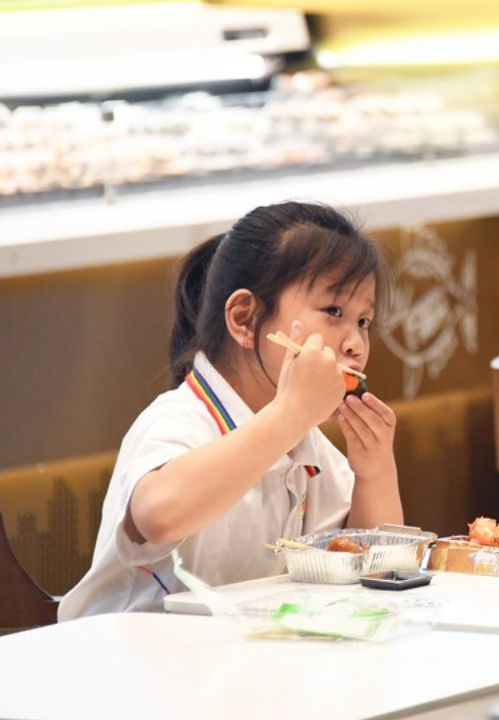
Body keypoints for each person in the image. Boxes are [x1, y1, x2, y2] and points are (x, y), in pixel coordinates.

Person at [59, 201, 403, 620]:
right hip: (127, 653)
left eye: (363, 322)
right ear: (244, 319)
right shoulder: (181, 419)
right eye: (334, 312)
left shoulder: (308, 447)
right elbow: (157, 516)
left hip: (238, 654)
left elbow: (377, 573)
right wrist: (290, 416)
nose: (355, 344)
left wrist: (375, 473)